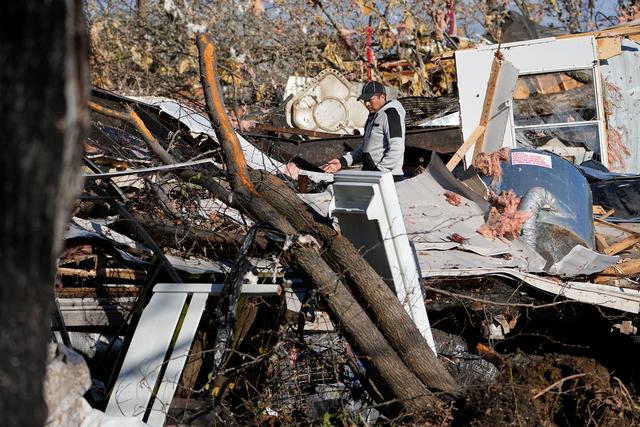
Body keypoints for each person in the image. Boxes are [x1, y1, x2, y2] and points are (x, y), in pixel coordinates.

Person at [322, 81, 406, 180]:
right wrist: (342, 162)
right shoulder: (373, 116)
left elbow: (397, 148)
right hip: (373, 175)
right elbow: (365, 148)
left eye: (370, 99)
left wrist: (379, 172)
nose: (367, 104)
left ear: (382, 97)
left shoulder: (391, 115)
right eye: (365, 100)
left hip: (388, 177)